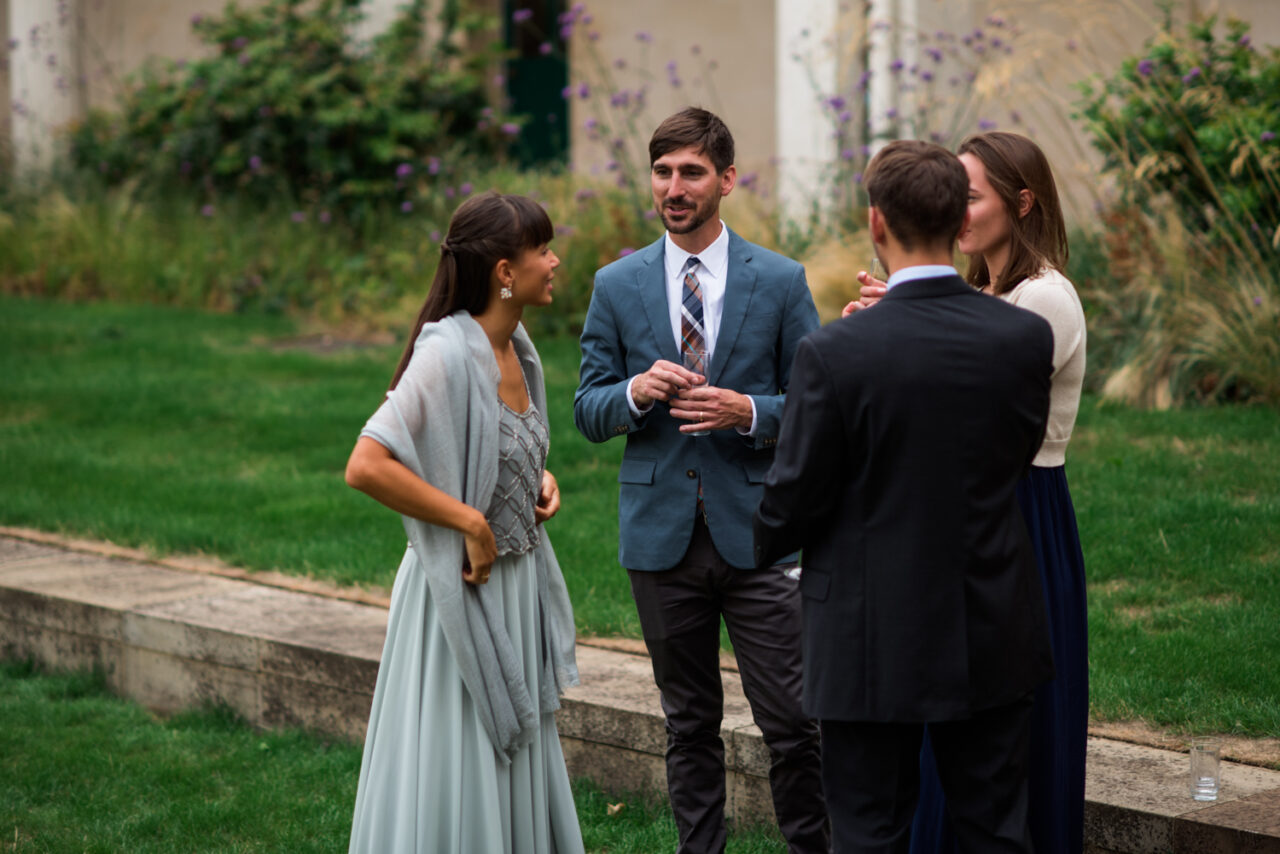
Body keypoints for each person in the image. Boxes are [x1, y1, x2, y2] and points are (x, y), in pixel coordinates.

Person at [756, 139, 1055, 853]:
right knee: (994, 831)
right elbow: (1016, 459)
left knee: (868, 832)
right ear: (959, 222)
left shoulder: (834, 353)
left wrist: (763, 537)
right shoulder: (1022, 337)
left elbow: (796, 495)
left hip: (867, 636)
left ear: (876, 225)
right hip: (987, 618)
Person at [573, 107, 828, 854]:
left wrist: (748, 409)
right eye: (662, 172)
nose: (673, 187)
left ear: (727, 179)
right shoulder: (616, 284)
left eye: (690, 172)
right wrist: (633, 393)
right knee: (688, 723)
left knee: (792, 720)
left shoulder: (779, 281)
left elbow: (818, 405)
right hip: (660, 535)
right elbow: (588, 410)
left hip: (759, 532)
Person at [849, 132, 1089, 854]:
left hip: (1019, 517)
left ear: (1022, 203)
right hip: (957, 516)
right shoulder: (982, 292)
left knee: (1008, 719)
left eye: (972, 194)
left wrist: (896, 336)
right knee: (943, 708)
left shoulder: (1045, 299)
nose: (956, 208)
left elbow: (962, 404)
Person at [344, 192, 584, 854]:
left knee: (509, 761)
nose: (555, 260)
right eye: (543, 250)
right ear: (505, 272)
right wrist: (471, 524)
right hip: (459, 597)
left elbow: (501, 447)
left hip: (515, 592)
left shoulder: (517, 350)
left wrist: (536, 479)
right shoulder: (447, 353)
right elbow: (366, 465)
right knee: (460, 763)